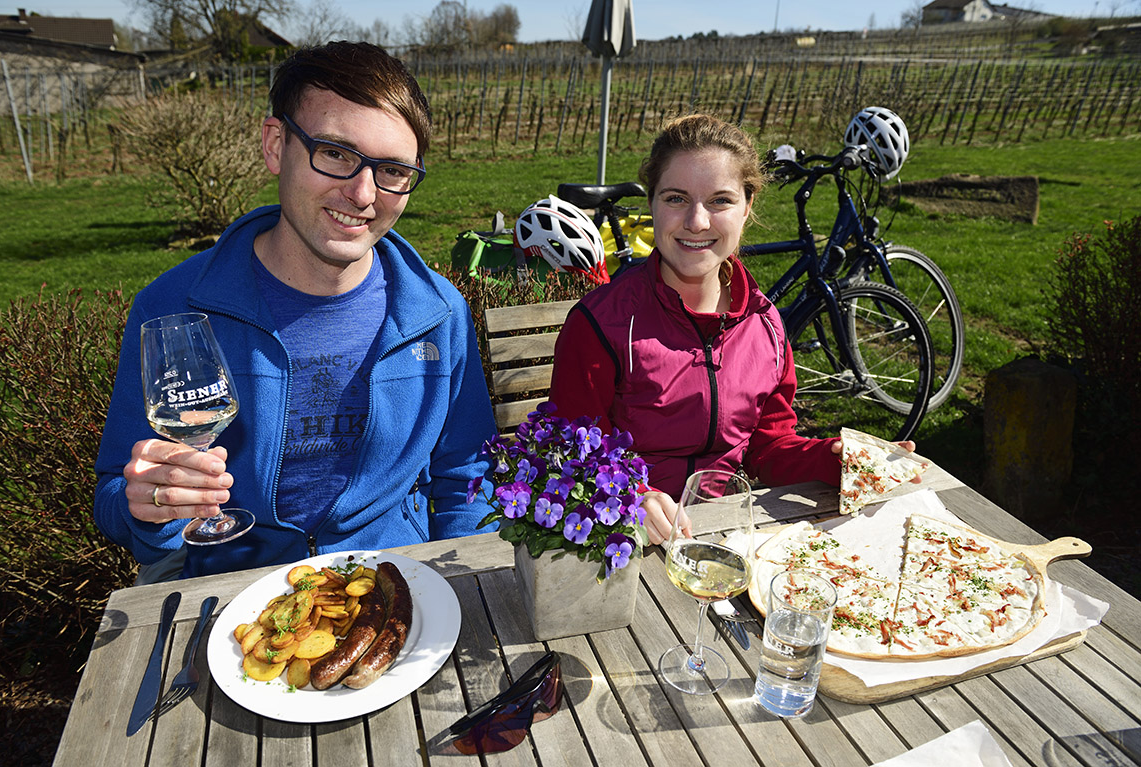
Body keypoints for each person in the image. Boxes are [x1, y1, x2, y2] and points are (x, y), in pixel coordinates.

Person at [94, 41, 497, 581]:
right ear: (275, 144)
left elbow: (465, 472)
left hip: (394, 581)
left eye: (394, 170)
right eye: (335, 153)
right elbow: (117, 496)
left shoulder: (439, 314)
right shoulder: (174, 309)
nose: (362, 194)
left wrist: (465, 587)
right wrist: (150, 505)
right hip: (226, 590)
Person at [548, 114, 915, 544]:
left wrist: (834, 458)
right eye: (675, 198)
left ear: (748, 206)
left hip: (727, 537)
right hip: (620, 545)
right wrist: (634, 496)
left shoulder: (766, 326)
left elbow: (768, 447)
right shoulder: (600, 325)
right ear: (651, 204)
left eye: (720, 201)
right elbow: (571, 452)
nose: (697, 221)